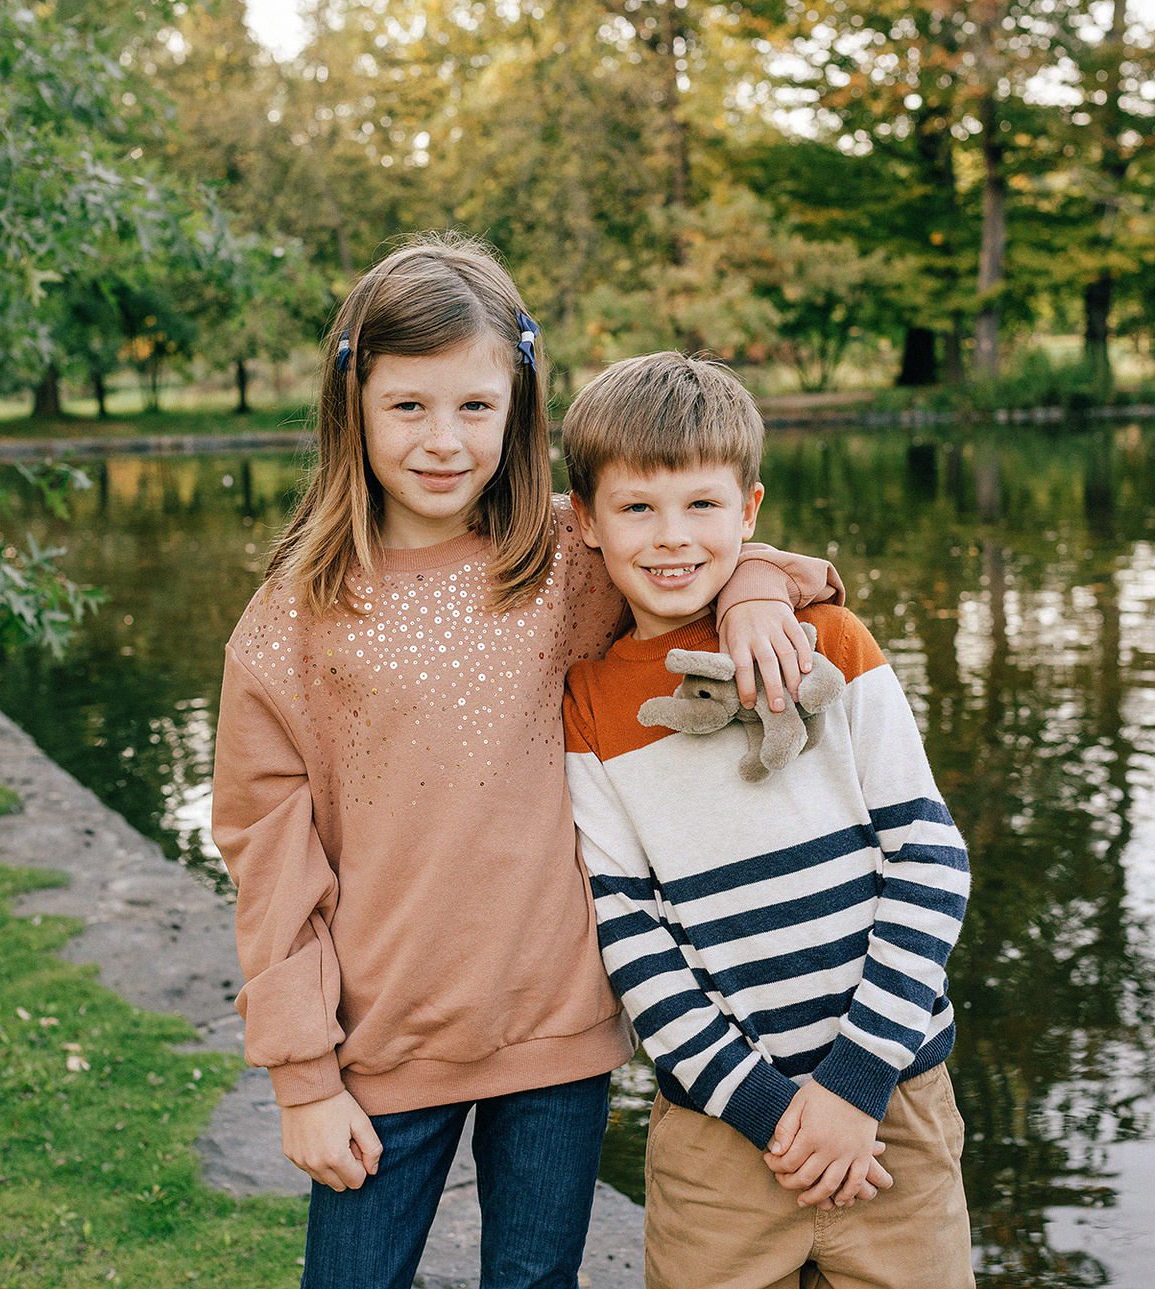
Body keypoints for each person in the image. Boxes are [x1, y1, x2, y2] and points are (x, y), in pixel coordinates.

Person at [209, 237, 843, 1289]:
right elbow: (267, 857)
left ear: (519, 405)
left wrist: (755, 590)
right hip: (378, 1045)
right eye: (408, 406)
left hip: (559, 1032)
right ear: (352, 405)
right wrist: (303, 1073)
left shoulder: (567, 558)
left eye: (476, 405)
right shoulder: (293, 620)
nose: (444, 439)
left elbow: (703, 550)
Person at [561, 352, 974, 1289]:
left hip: (893, 1104)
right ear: (585, 519)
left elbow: (929, 859)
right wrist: (775, 1112)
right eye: (637, 508)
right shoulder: (589, 705)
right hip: (718, 1140)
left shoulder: (831, 641)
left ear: (749, 511)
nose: (672, 536)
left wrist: (853, 1084)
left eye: (702, 505)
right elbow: (630, 935)